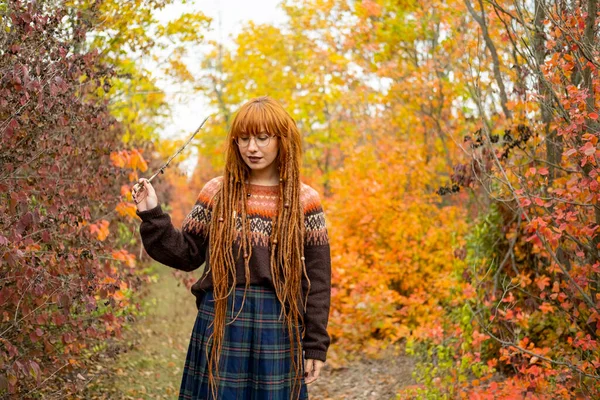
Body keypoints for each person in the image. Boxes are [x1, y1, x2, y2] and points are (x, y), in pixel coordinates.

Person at [131, 96, 332, 399]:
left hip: (278, 326)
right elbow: (187, 254)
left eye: (263, 138)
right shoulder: (217, 191)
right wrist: (152, 213)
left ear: (281, 140)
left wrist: (315, 343)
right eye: (244, 138)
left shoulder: (305, 200)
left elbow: (317, 279)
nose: (252, 147)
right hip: (220, 320)